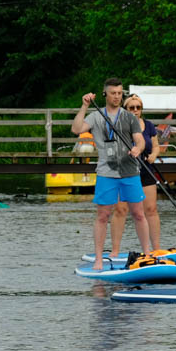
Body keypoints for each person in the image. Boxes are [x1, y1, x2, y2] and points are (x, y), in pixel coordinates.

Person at [71, 78, 153, 271]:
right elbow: (76, 129)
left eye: (119, 93)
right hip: (106, 172)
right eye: (113, 93)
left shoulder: (129, 117)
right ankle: (99, 259)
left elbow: (140, 140)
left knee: (139, 214)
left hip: (130, 171)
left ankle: (147, 255)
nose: (117, 97)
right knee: (102, 215)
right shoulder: (96, 116)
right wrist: (84, 106)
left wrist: (137, 149)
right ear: (105, 94)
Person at [109, 95, 165, 255]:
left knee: (151, 209)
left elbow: (155, 146)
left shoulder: (148, 125)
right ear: (125, 110)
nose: (135, 110)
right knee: (121, 209)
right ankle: (115, 251)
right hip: (125, 171)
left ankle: (156, 249)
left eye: (138, 107)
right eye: (131, 107)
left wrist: (154, 155)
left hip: (146, 170)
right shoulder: (118, 126)